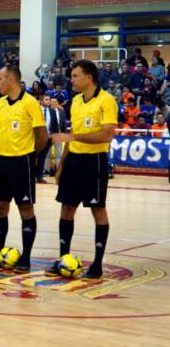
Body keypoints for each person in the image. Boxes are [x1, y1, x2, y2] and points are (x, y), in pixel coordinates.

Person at [49, 60, 118, 279]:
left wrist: (73, 137)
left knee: (98, 210)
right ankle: (63, 258)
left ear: (89, 77)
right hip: (73, 161)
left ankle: (97, 264)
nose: (72, 80)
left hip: (94, 161)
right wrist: (62, 165)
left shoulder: (107, 100)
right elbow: (72, 136)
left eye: (75, 76)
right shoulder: (76, 101)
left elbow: (107, 134)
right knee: (66, 208)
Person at [0, 65, 47, 273]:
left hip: (22, 162)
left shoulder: (30, 103)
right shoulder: (1, 102)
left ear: (10, 79)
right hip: (1, 162)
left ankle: (26, 257)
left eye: (0, 79)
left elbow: (42, 137)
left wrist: (29, 156)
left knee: (25, 208)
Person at [36, 94, 57, 183]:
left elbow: (55, 125)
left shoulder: (52, 111)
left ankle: (39, 177)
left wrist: (54, 136)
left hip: (48, 139)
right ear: (41, 101)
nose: (48, 101)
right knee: (33, 157)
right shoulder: (36, 111)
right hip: (36, 139)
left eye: (49, 100)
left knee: (42, 158)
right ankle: (30, 175)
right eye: (46, 99)